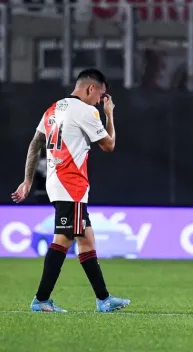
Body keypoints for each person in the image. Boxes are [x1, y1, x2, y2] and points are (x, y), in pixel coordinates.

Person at [11, 68, 130, 313]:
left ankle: (103, 299)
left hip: (58, 182)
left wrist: (27, 180)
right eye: (101, 95)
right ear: (91, 89)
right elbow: (109, 145)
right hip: (71, 185)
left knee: (86, 239)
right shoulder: (86, 111)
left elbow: (35, 145)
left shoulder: (53, 109)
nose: (100, 100)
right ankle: (42, 300)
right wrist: (108, 115)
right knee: (64, 239)